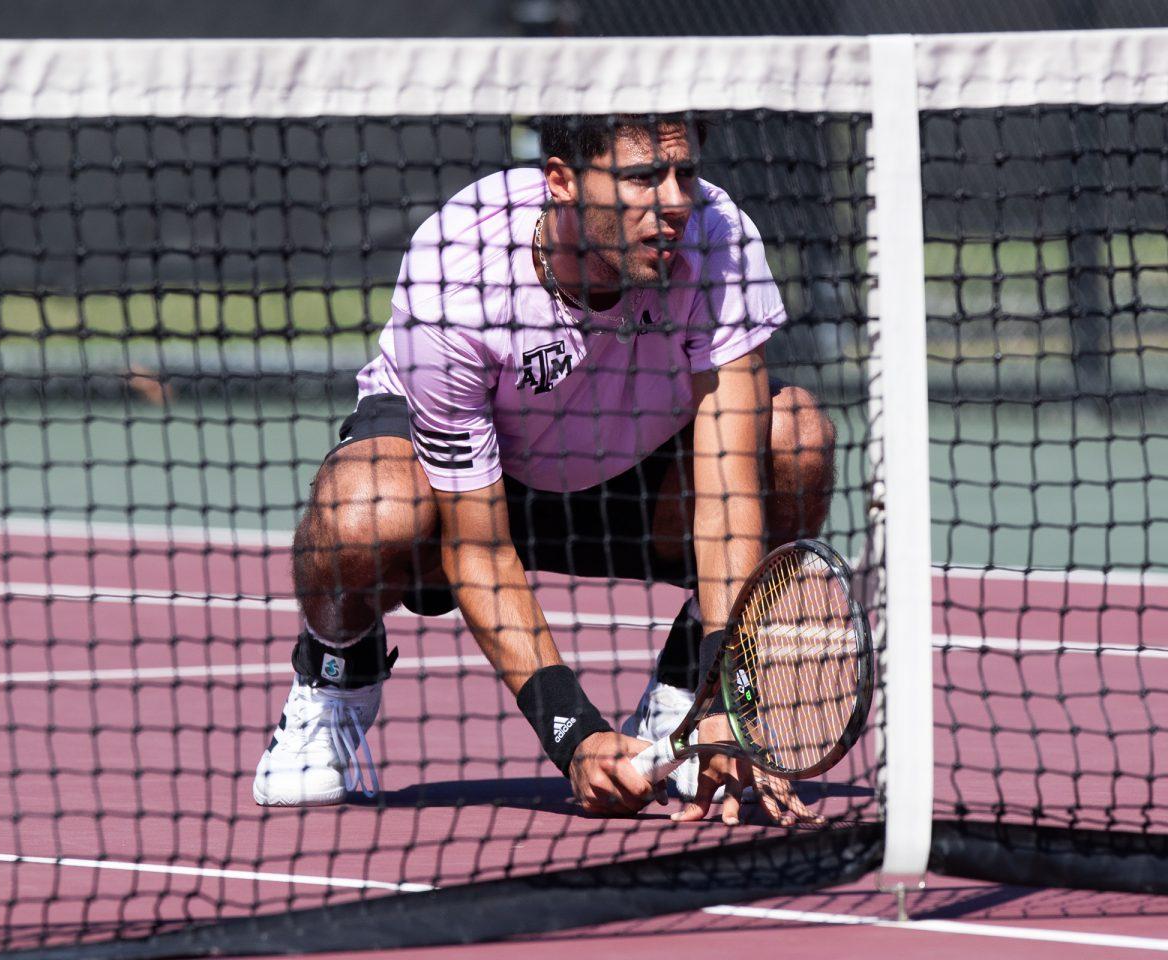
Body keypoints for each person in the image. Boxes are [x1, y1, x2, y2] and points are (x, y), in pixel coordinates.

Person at [253, 114, 836, 825]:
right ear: (561, 180)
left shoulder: (718, 236)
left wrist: (727, 684)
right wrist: (575, 735)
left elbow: (729, 483)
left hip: (633, 475)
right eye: (643, 178)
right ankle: (337, 670)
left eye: (684, 172)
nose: (676, 200)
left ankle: (685, 690)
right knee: (364, 511)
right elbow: (477, 547)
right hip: (470, 494)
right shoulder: (460, 269)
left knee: (794, 437)